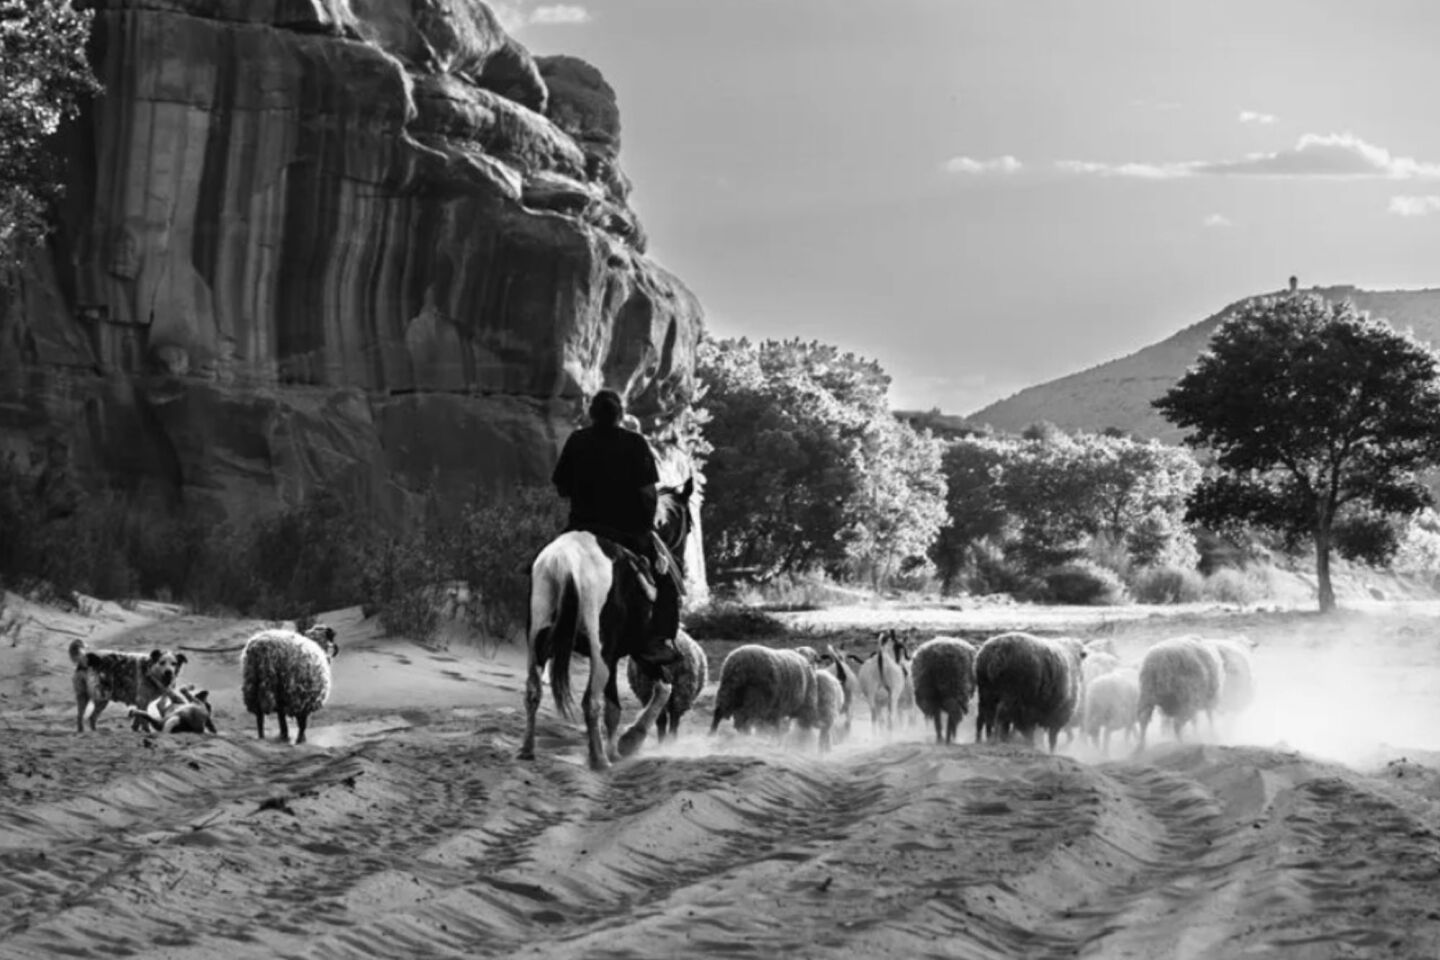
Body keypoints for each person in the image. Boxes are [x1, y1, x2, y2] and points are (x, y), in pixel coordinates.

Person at [551, 389, 682, 669]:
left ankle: (547, 626)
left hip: (582, 529)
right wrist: (646, 526)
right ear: (620, 415)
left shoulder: (577, 440)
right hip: (627, 532)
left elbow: (561, 488)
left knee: (544, 562)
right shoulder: (634, 443)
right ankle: (658, 641)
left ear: (591, 414)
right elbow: (648, 493)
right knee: (667, 584)